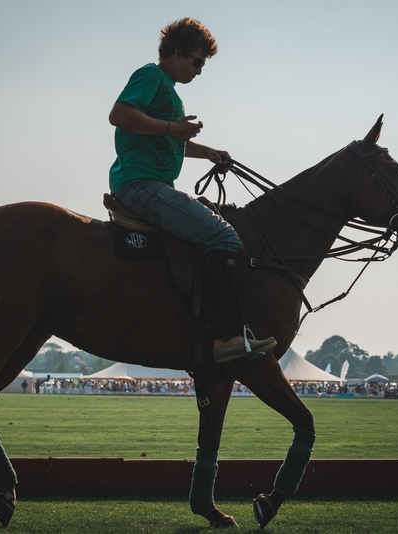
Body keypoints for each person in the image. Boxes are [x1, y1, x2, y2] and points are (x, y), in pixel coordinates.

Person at [108, 17, 276, 364]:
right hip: (141, 185)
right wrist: (173, 127)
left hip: (151, 185)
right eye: (197, 61)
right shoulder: (152, 76)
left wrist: (209, 152)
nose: (199, 70)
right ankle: (226, 337)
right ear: (178, 52)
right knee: (225, 239)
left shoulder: (169, 91)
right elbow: (119, 114)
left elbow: (168, 140)